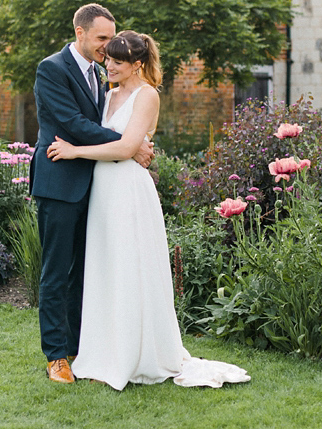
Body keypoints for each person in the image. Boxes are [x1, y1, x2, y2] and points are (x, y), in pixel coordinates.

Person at [47, 30, 250, 390]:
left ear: (137, 64)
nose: (108, 65)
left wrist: (75, 151)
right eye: (107, 58)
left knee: (131, 267)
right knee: (105, 268)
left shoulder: (147, 95)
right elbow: (99, 133)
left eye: (117, 61)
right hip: (102, 193)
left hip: (128, 190)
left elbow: (126, 149)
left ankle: (137, 353)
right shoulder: (107, 95)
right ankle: (104, 351)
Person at [30, 4, 153, 384]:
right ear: (79, 32)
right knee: (56, 271)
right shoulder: (51, 69)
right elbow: (72, 124)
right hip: (61, 180)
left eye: (110, 39)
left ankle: (81, 347)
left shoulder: (103, 75)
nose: (107, 47)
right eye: (101, 39)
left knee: (87, 271)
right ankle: (56, 357)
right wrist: (129, 144)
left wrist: (128, 144)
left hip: (100, 186)